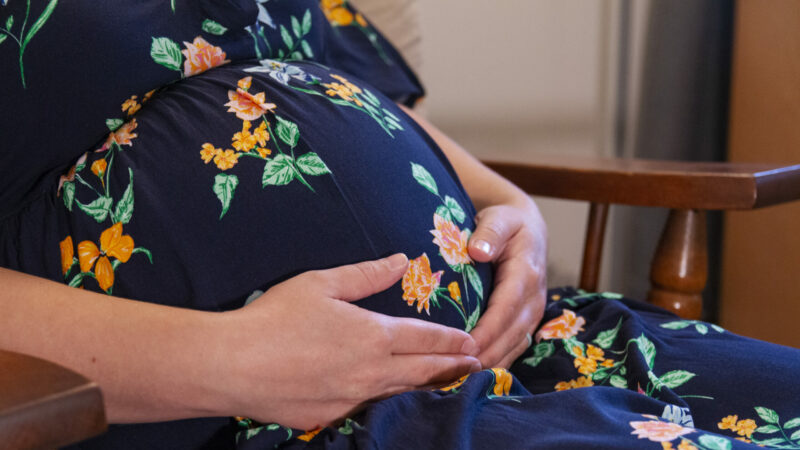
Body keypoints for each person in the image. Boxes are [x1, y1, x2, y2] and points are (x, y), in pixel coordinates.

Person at [0, 1, 797, 449]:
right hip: (255, 417)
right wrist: (226, 360)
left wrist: (510, 207)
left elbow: (340, 90)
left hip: (531, 341)